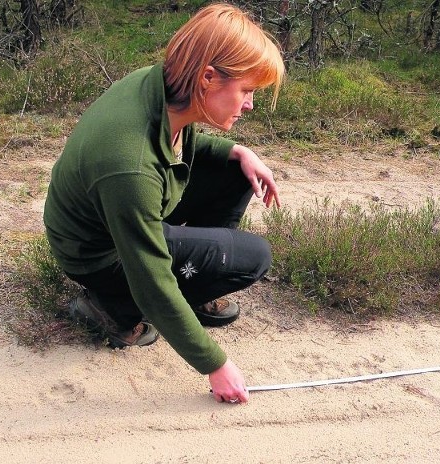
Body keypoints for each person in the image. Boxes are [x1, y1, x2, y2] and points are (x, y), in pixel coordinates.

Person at [43, 3, 285, 405]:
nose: (249, 105)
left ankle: (192, 284)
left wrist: (238, 151)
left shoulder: (159, 85)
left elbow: (176, 143)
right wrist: (214, 364)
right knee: (254, 256)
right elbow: (149, 276)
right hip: (99, 255)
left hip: (115, 220)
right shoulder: (130, 166)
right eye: (246, 90)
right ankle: (114, 308)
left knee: (234, 171)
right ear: (208, 77)